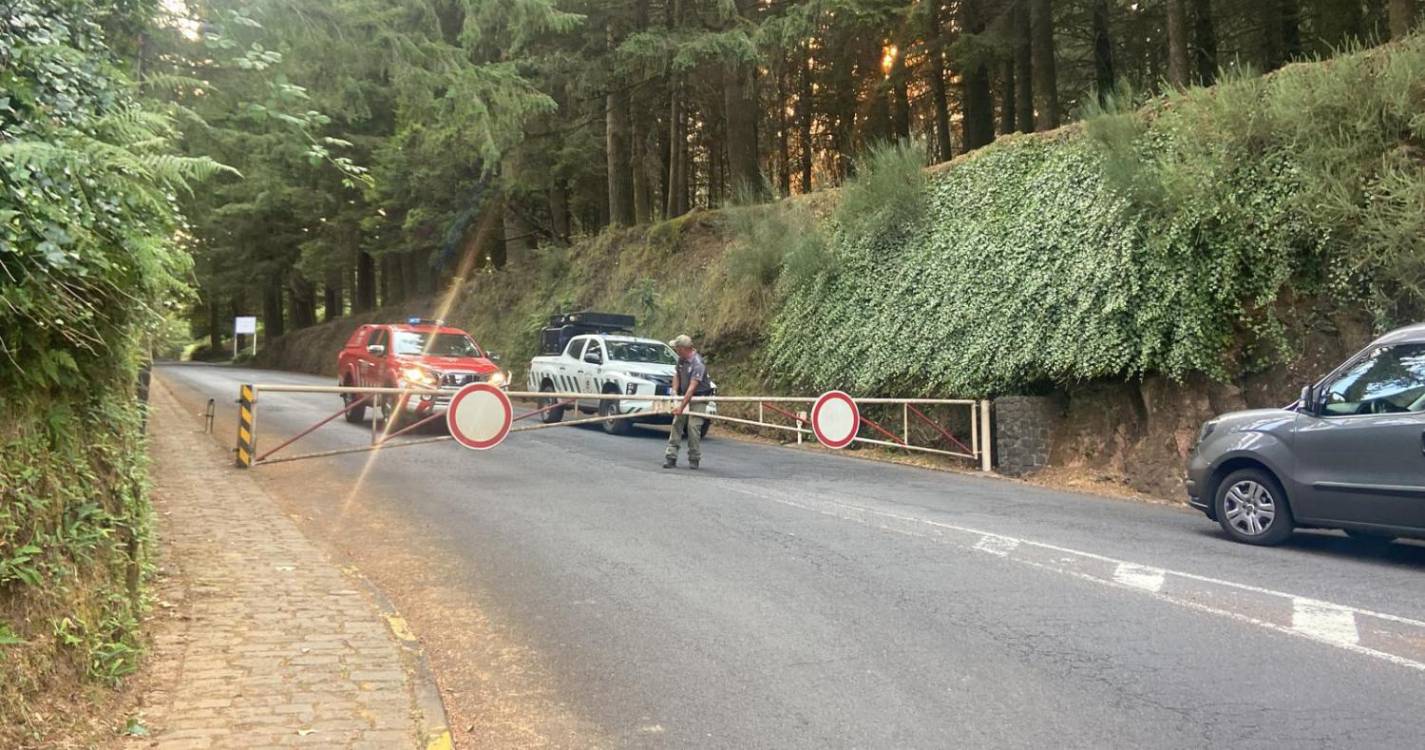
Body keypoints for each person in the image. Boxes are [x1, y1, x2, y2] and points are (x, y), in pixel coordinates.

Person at [664, 334, 710, 469]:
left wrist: (681, 407)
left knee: (693, 427)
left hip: (699, 397)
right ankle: (671, 457)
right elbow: (676, 375)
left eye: (677, 348)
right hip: (684, 395)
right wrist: (674, 392)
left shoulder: (698, 363)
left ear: (683, 348)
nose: (676, 350)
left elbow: (692, 388)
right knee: (677, 423)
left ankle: (694, 458)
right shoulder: (681, 360)